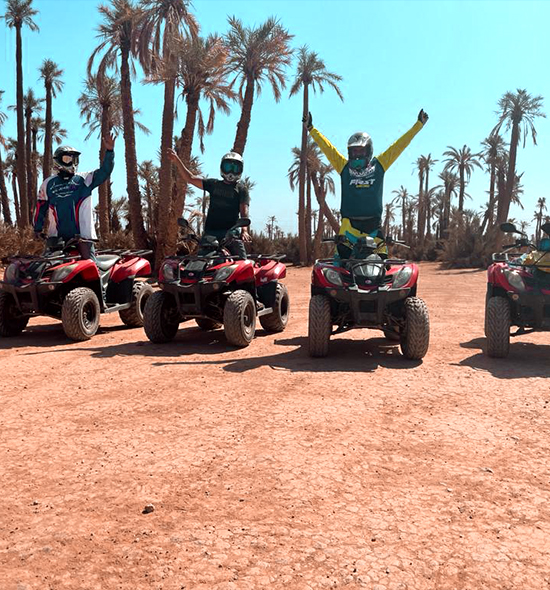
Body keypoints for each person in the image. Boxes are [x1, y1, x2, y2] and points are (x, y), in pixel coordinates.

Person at [304, 109, 428, 260]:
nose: (356, 155)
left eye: (360, 151)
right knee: (338, 266)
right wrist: (311, 128)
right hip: (349, 228)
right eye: (353, 152)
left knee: (384, 266)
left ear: (368, 151)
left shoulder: (380, 165)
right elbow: (328, 148)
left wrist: (418, 125)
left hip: (374, 228)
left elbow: (399, 145)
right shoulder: (343, 166)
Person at [33, 132, 116, 261]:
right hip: (56, 238)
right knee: (47, 269)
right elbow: (41, 208)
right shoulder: (48, 183)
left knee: (90, 270)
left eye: (74, 159)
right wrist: (37, 229)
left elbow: (105, 171)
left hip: (84, 237)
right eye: (67, 159)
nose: (72, 162)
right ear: (58, 160)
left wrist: (110, 151)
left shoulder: (85, 178)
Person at [167, 148, 251, 258]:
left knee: (242, 264)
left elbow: (244, 214)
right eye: (228, 167)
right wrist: (177, 160)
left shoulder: (241, 190)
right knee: (200, 262)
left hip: (231, 235)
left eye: (235, 168)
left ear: (240, 170)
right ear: (222, 167)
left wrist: (244, 231)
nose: (231, 172)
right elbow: (190, 178)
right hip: (210, 234)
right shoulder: (213, 184)